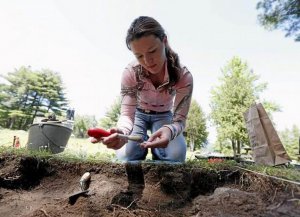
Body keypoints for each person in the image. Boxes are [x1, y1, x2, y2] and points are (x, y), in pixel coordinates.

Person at [93, 16, 193, 162]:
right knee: (125, 155)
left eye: (152, 51)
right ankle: (141, 143)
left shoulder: (183, 76)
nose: (147, 61)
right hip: (138, 115)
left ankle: (158, 151)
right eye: (139, 56)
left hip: (164, 116)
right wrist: (122, 132)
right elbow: (127, 114)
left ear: (164, 42)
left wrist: (169, 131)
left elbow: (179, 121)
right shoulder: (130, 72)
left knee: (176, 155)